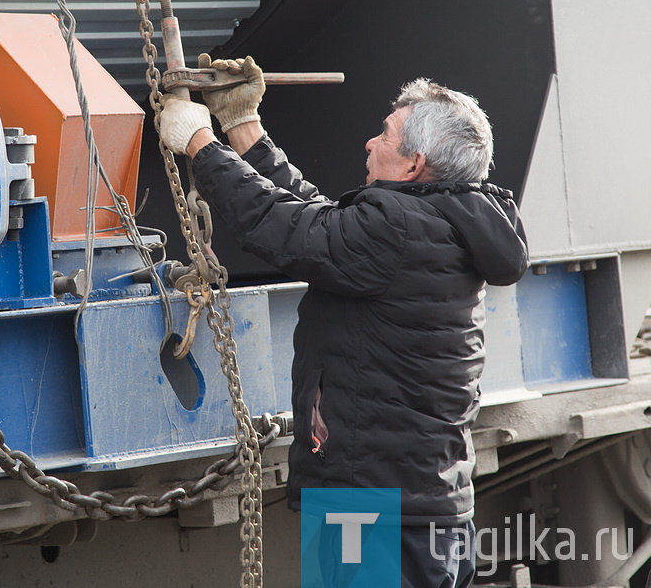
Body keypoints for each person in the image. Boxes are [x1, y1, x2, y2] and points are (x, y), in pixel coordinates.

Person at [158, 55, 529, 587]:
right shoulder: (443, 220)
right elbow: (319, 221)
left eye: (385, 135)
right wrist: (244, 129)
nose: (369, 143)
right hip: (424, 499)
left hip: (367, 502)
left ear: (413, 164)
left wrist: (201, 145)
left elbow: (281, 227)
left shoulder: (397, 226)